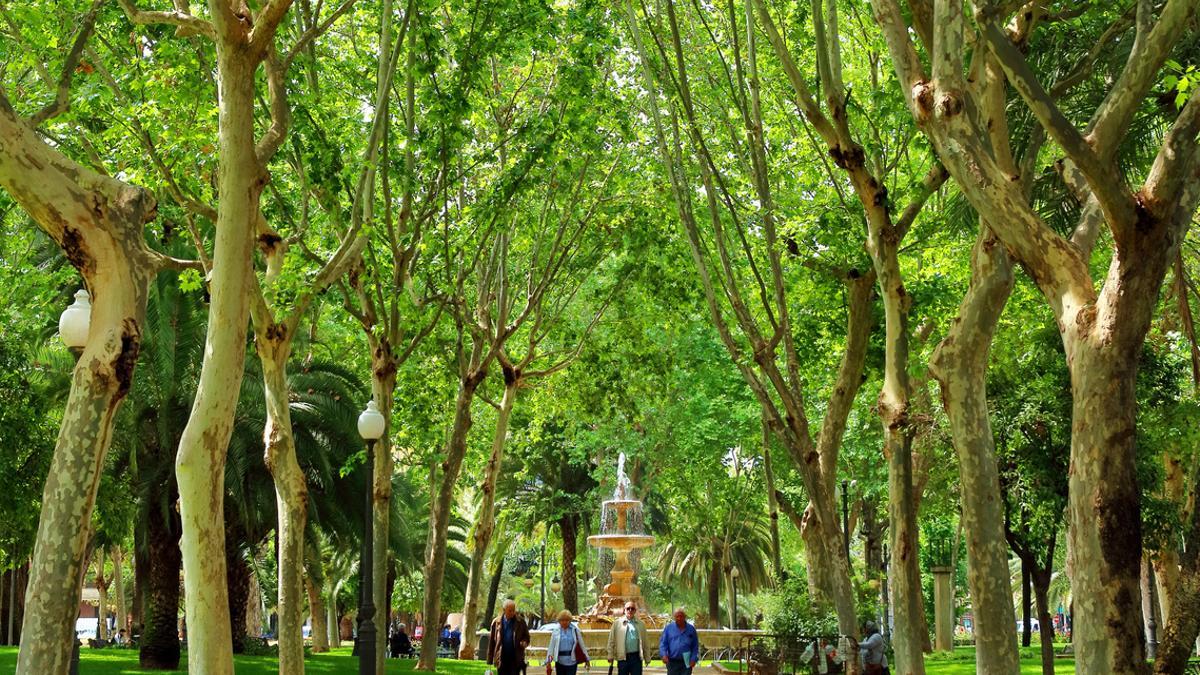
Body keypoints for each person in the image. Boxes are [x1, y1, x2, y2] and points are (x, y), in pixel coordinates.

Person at [488, 599, 532, 675]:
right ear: (504, 610)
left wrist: (524, 642)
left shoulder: (520, 622)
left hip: (515, 658)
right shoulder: (496, 622)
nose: (512, 613)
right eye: (510, 611)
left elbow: (527, 637)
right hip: (501, 658)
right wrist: (490, 660)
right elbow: (492, 642)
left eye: (513, 610)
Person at [607, 601, 651, 675]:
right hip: (623, 658)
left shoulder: (641, 624)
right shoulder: (617, 623)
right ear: (624, 610)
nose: (630, 610)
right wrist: (610, 655)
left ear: (635, 611)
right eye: (628, 608)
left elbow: (645, 641)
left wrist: (647, 657)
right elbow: (611, 640)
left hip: (636, 658)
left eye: (632, 608)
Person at [545, 610, 591, 675]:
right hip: (559, 662)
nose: (564, 622)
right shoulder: (556, 631)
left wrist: (587, 658)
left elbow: (581, 644)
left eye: (567, 620)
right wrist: (548, 661)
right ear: (559, 621)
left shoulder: (575, 630)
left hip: (572, 661)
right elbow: (551, 646)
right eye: (562, 620)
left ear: (570, 620)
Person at [659, 608, 700, 675]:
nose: (679, 618)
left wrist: (693, 658)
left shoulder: (691, 629)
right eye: (677, 616)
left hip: (687, 662)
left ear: (685, 617)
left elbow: (695, 646)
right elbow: (663, 643)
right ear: (674, 618)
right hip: (672, 661)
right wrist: (663, 655)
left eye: (681, 616)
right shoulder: (669, 628)